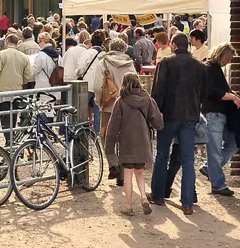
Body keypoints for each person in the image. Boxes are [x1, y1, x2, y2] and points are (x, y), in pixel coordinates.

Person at [149, 33, 207, 214]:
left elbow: (158, 92)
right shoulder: (199, 66)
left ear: (173, 45)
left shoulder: (165, 63)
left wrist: (154, 115)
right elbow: (204, 93)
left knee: (162, 155)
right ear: (187, 45)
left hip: (168, 115)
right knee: (189, 159)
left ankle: (158, 194)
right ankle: (187, 202)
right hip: (190, 116)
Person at [107, 72, 164, 216]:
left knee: (128, 174)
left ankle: (129, 207)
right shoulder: (148, 99)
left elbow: (113, 126)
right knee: (139, 173)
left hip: (127, 142)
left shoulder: (120, 101)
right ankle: (144, 197)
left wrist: (109, 147)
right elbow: (157, 120)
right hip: (143, 141)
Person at [84, 38, 139, 184]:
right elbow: (136, 84)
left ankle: (113, 163)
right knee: (124, 138)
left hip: (109, 105)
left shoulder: (104, 62)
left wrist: (98, 100)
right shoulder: (130, 64)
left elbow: (97, 85)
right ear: (124, 49)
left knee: (106, 135)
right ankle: (122, 175)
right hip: (127, 105)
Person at [201, 43, 240, 197]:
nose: (229, 62)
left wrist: (233, 95)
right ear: (221, 55)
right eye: (228, 58)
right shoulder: (209, 68)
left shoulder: (215, 68)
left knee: (233, 144)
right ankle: (218, 184)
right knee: (216, 151)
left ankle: (209, 169)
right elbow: (212, 91)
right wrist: (232, 96)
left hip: (220, 113)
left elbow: (219, 90)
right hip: (213, 114)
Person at [0, 33, 34, 146]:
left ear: (6, 41)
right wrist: (20, 82)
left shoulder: (1, 55)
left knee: (5, 119)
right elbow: (29, 75)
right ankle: (11, 142)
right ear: (17, 42)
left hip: (2, 91)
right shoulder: (23, 56)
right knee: (13, 118)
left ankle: (10, 143)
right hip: (17, 91)